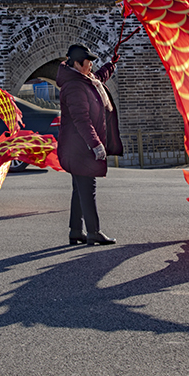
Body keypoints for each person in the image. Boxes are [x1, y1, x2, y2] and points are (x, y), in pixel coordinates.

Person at [56, 44, 123, 245]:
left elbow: (99, 77)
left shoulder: (85, 80)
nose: (92, 65)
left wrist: (111, 65)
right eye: (88, 61)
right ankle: (93, 231)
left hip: (78, 146)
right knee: (87, 188)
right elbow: (81, 120)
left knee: (80, 189)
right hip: (79, 147)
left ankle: (76, 231)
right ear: (77, 64)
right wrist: (96, 145)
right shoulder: (74, 87)